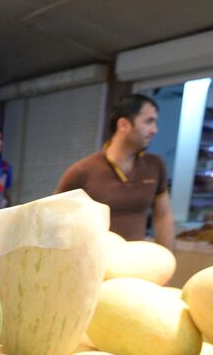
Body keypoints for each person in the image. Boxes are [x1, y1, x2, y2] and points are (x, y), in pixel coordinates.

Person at [56, 95, 175, 247]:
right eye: (148, 121)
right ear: (124, 124)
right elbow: (57, 221)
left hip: (136, 264)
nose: (154, 130)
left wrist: (169, 260)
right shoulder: (82, 171)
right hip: (95, 264)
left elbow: (163, 216)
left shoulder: (155, 165)